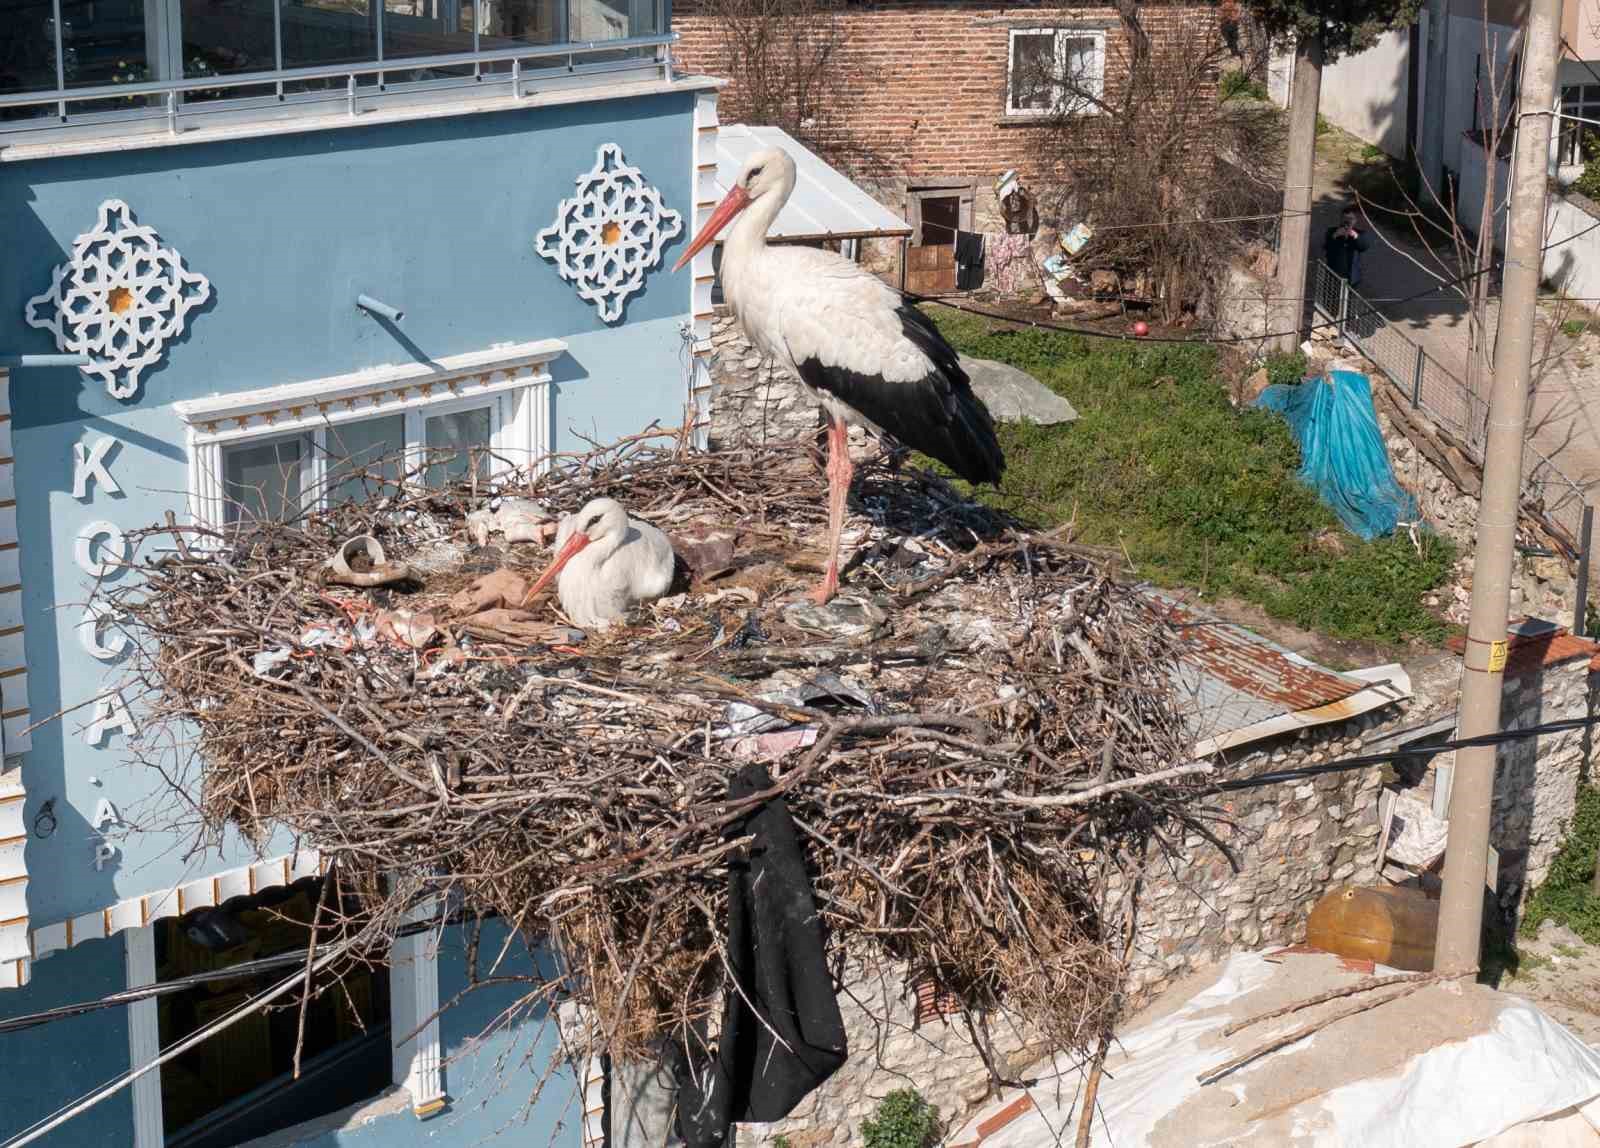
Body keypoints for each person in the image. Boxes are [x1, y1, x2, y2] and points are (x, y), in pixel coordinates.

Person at [1324, 206, 1374, 332]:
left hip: (1352, 277)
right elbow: (1326, 247)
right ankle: (1328, 328)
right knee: (1330, 302)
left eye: (1350, 219)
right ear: (1340, 218)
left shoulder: (1360, 234)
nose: (1346, 222)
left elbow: (1364, 246)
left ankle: (1346, 330)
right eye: (1344, 218)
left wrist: (1354, 235)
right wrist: (1336, 235)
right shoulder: (1332, 231)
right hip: (1333, 275)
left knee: (1349, 307)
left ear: (1355, 221)